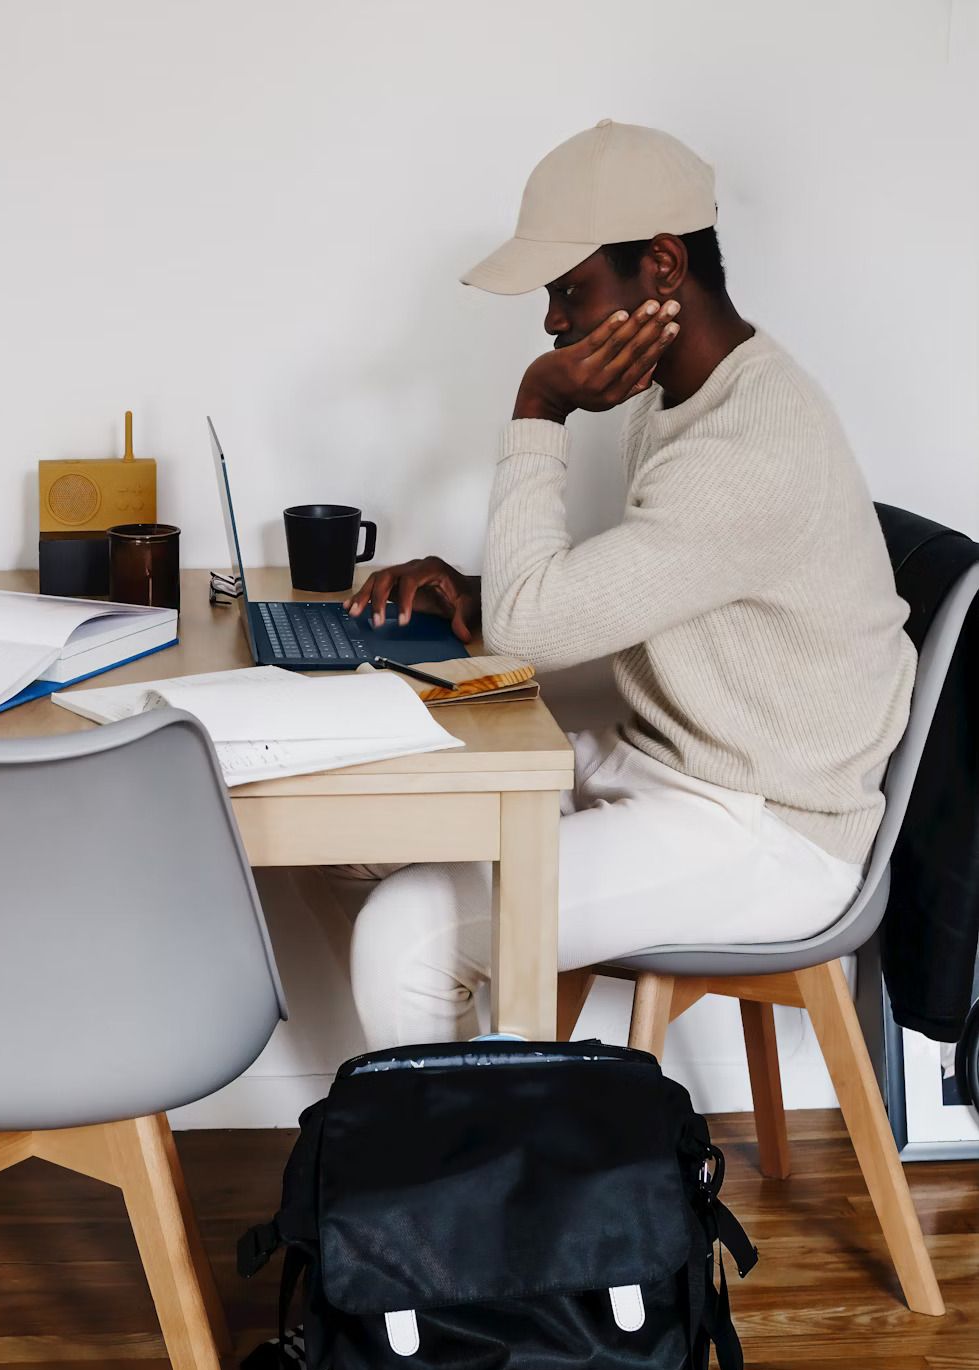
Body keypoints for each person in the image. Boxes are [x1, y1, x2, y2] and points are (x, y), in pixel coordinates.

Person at [337, 119, 916, 1050]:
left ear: (660, 264)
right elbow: (637, 585)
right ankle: (507, 1130)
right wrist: (480, 592)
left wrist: (539, 407)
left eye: (569, 289)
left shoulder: (749, 445)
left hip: (764, 826)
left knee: (408, 935)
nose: (553, 320)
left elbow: (533, 635)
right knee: (365, 826)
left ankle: (468, 1185)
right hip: (672, 752)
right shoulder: (685, 394)